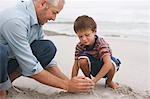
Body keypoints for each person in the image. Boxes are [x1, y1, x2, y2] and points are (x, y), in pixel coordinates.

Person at [0, 0, 94, 99]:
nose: (54, 18)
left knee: (47, 48)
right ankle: (1, 89)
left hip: (8, 61)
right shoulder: (16, 20)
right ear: (43, 4)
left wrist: (70, 82)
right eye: (54, 12)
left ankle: (7, 82)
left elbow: (46, 61)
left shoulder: (36, 18)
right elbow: (30, 67)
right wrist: (67, 85)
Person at [71, 15, 121, 89]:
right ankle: (88, 80)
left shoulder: (101, 44)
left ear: (94, 32)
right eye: (80, 36)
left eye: (87, 35)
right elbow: (76, 65)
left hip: (108, 67)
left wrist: (94, 81)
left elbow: (107, 64)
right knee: (81, 60)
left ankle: (109, 82)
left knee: (111, 64)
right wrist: (72, 81)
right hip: (93, 67)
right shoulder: (80, 46)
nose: (84, 39)